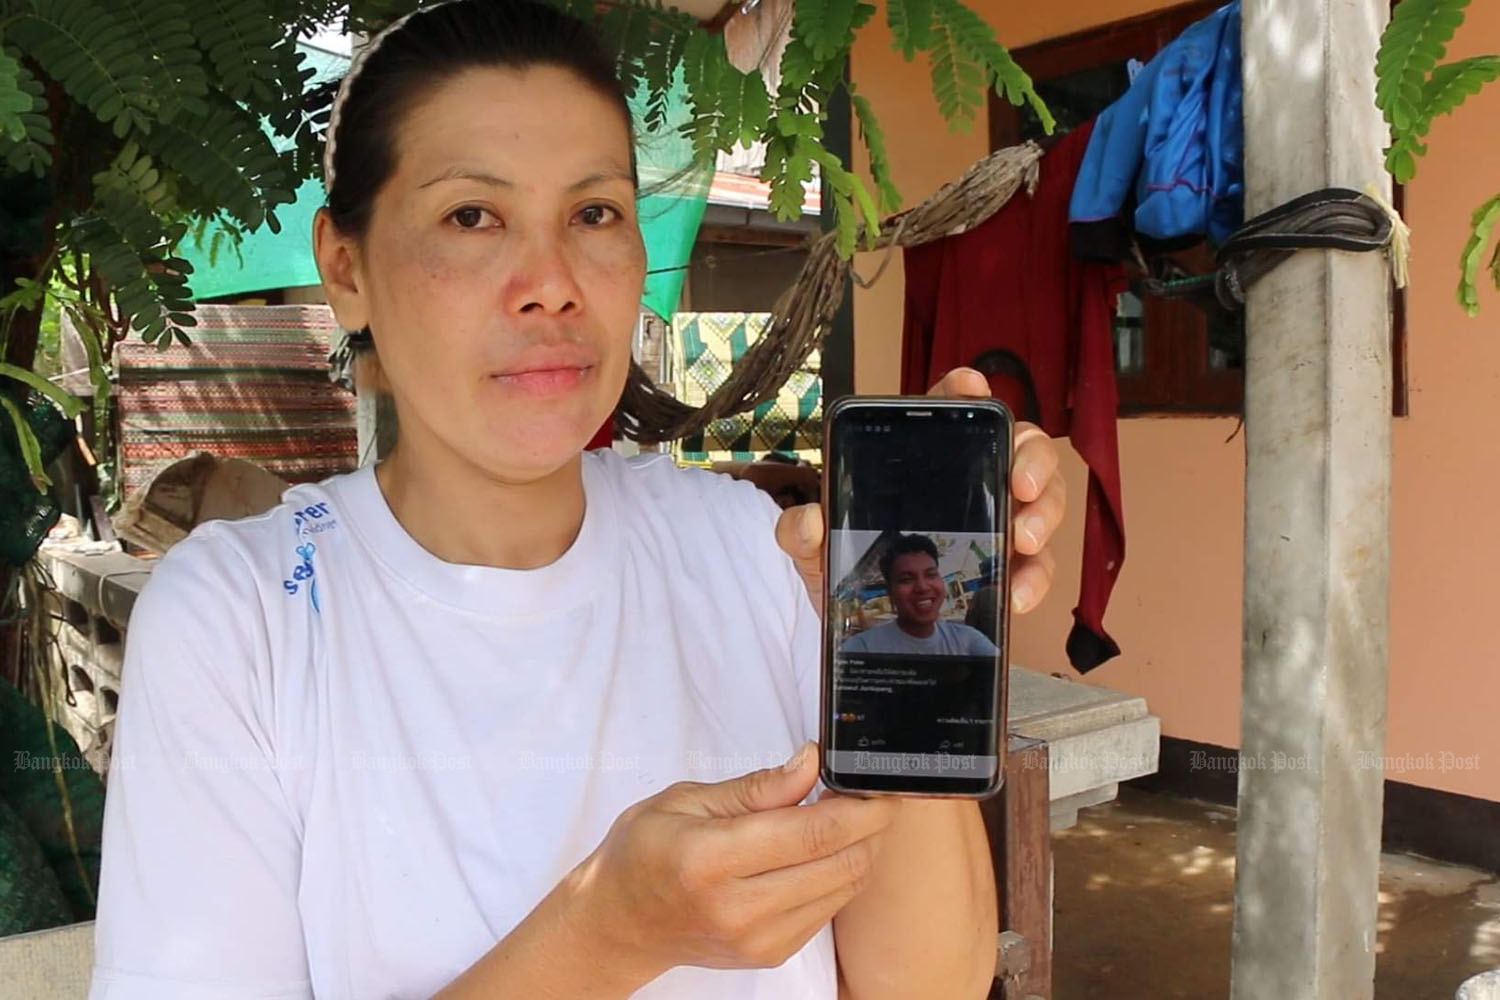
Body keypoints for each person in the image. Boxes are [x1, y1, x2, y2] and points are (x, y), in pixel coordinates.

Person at [86, 3, 1067, 998]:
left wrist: (898, 652)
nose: (551, 284)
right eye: (472, 215)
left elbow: (925, 982)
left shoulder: (753, 553)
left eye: (594, 213)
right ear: (346, 269)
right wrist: (605, 937)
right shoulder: (240, 623)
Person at [841, 535, 1000, 657]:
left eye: (931, 575)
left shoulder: (968, 640)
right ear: (890, 592)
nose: (923, 587)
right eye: (906, 579)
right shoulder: (863, 648)